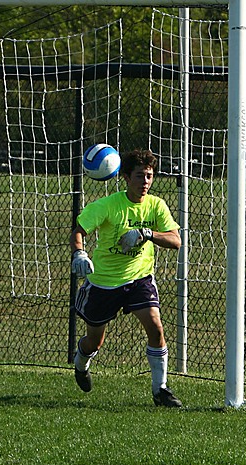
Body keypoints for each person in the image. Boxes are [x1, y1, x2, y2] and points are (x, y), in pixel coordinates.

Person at [71, 148, 182, 407]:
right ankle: (81, 363)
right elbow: (79, 231)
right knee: (94, 341)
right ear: (125, 177)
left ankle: (160, 389)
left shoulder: (157, 205)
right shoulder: (108, 206)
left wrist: (147, 233)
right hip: (104, 283)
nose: (145, 182)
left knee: (156, 327)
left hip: (139, 279)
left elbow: (176, 241)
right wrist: (79, 254)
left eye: (149, 176)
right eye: (140, 176)